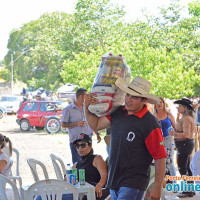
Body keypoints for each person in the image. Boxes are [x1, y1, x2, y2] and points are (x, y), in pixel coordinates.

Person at [84, 76, 167, 200]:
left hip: (134, 182)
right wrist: (86, 106)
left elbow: (160, 157)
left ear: (143, 100)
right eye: (127, 95)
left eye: (134, 97)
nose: (128, 99)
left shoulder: (150, 122)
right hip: (114, 180)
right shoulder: (118, 112)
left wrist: (158, 186)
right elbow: (95, 125)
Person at [61, 88, 101, 164]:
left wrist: (97, 133)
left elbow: (91, 122)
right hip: (77, 143)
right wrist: (76, 124)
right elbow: (63, 125)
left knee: (89, 165)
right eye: (86, 96)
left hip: (88, 142)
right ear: (80, 97)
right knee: (78, 165)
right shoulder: (68, 109)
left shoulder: (87, 108)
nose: (88, 98)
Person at [169, 98, 196, 198]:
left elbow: (187, 134)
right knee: (186, 168)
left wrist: (174, 134)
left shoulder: (186, 119)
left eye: (179, 106)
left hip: (185, 144)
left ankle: (187, 190)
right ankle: (189, 190)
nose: (178, 108)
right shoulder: (187, 118)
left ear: (184, 108)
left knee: (182, 168)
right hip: (184, 144)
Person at [73, 133, 109, 200]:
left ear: (90, 146)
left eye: (83, 145)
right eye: (77, 146)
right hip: (81, 192)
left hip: (96, 191)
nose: (80, 148)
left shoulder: (97, 158)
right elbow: (69, 179)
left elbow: (104, 175)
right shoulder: (76, 164)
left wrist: (100, 185)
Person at [154, 97, 176, 183]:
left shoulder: (168, 114)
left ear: (163, 104)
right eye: (157, 102)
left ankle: (174, 184)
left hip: (168, 140)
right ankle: (160, 184)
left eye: (161, 102)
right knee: (158, 162)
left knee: (170, 162)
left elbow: (176, 127)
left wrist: (175, 135)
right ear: (155, 105)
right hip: (157, 141)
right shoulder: (153, 116)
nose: (159, 104)